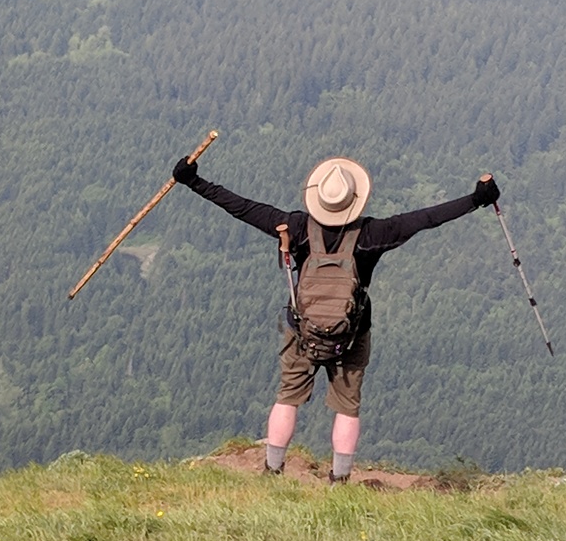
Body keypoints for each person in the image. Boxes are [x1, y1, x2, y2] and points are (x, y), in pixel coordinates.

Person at [172, 153, 500, 483]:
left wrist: (194, 181)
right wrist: (476, 200)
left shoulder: (296, 227)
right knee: (347, 405)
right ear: (355, 199)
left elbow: (242, 207)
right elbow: (428, 217)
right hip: (351, 337)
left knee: (288, 397)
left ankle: (272, 472)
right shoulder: (374, 234)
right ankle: (340, 481)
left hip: (301, 333)